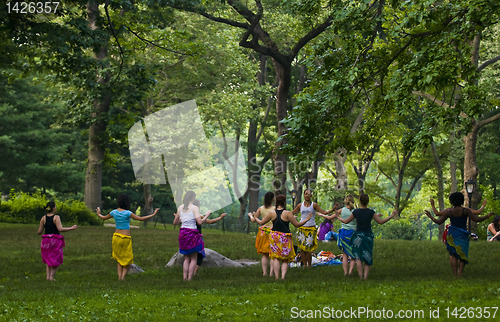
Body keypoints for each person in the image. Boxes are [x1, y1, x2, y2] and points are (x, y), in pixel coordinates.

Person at [425, 192, 493, 278]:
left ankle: (454, 274)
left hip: (452, 234)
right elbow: (476, 219)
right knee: (462, 253)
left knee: (453, 254)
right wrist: (487, 216)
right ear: (462, 200)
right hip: (462, 234)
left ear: (452, 201)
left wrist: (430, 216)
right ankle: (460, 272)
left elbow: (439, 222)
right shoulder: (466, 211)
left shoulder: (449, 211)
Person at [248, 194, 313, 279]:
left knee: (276, 258)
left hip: (274, 237)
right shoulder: (288, 213)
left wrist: (255, 218)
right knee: (285, 259)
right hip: (285, 237)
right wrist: (307, 219)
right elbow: (297, 225)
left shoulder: (272, 213)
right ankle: (283, 277)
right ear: (284, 202)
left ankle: (277, 277)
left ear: (276, 202)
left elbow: (261, 223)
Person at [96, 194, 158, 280]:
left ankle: (119, 277)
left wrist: (99, 213)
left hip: (116, 237)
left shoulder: (114, 212)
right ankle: (123, 277)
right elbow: (140, 218)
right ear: (127, 203)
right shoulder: (128, 213)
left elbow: (103, 218)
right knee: (127, 259)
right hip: (125, 238)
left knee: (119, 258)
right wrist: (153, 214)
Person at [336, 194, 396, 280]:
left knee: (359, 257)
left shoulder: (356, 212)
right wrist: (391, 216)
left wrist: (338, 217)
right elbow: (381, 222)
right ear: (368, 202)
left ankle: (360, 276)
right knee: (367, 257)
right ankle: (365, 277)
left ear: (360, 201)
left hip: (358, 237)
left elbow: (345, 221)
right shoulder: (371, 212)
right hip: (368, 236)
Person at [173, 191, 212, 281]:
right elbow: (200, 222)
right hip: (192, 234)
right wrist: (206, 215)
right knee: (193, 258)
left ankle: (184, 278)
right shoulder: (195, 208)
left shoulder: (180, 207)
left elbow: (175, 222)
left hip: (182, 234)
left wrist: (179, 218)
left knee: (186, 258)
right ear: (193, 198)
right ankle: (190, 278)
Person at [291, 189, 335, 268]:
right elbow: (292, 213)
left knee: (308, 249)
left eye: (309, 194)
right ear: (303, 195)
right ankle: (304, 265)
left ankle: (309, 265)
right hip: (302, 228)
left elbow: (323, 212)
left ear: (311, 195)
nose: (307, 195)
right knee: (302, 248)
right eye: (305, 194)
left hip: (311, 229)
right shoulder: (300, 205)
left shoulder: (314, 205)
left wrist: (332, 209)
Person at [37, 201, 78, 281]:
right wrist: (71, 228)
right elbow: (60, 229)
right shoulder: (56, 217)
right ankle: (52, 277)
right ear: (53, 208)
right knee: (56, 259)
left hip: (45, 241)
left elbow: (39, 231)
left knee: (48, 259)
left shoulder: (43, 218)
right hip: (54, 241)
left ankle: (48, 277)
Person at [318, 195, 356, 275]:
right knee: (353, 255)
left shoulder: (341, 210)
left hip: (343, 233)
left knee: (345, 254)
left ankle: (345, 272)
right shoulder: (355, 211)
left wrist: (321, 215)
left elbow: (330, 217)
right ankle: (350, 271)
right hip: (353, 233)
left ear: (345, 201)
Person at [192, 199, 226, 275]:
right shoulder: (199, 216)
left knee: (190, 255)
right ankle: (195, 272)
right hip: (197, 237)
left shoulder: (187, 215)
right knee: (200, 254)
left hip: (188, 237)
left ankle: (188, 273)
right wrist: (220, 217)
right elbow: (210, 221)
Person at [250, 192, 276, 276]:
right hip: (273, 231)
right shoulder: (275, 209)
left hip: (263, 232)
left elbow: (254, 220)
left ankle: (264, 273)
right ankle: (271, 272)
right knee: (272, 254)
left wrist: (251, 215)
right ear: (272, 199)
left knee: (265, 254)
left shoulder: (260, 209)